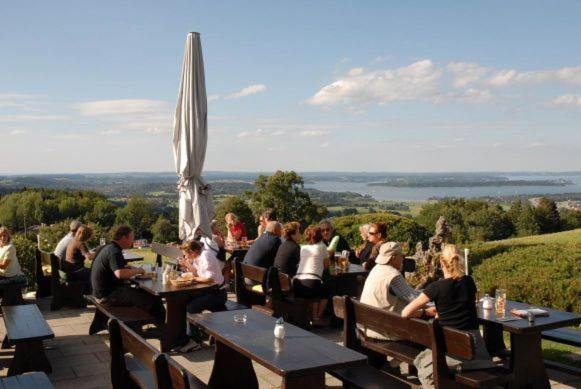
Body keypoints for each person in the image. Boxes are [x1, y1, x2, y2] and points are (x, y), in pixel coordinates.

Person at [402, 244, 495, 388]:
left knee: (423, 366)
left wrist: (425, 312)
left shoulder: (435, 288)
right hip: (475, 347)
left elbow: (405, 313)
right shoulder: (469, 281)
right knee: (423, 360)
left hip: (450, 348)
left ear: (441, 262)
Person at [90, 225, 165, 322]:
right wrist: (139, 270)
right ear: (124, 238)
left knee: (143, 294)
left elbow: (115, 268)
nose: (133, 241)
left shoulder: (108, 247)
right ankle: (161, 328)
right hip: (108, 296)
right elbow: (120, 273)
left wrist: (129, 268)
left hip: (100, 292)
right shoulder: (114, 251)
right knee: (152, 301)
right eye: (132, 238)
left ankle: (159, 324)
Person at [359, 242, 425, 340]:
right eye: (401, 256)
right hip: (385, 331)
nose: (403, 259)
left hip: (368, 327)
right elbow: (415, 300)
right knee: (427, 328)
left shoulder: (376, 269)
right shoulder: (393, 275)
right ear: (393, 257)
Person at [176, 240, 227, 352]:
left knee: (191, 307)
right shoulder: (199, 257)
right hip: (209, 291)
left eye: (186, 254)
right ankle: (188, 335)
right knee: (183, 301)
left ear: (192, 252)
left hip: (218, 293)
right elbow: (198, 273)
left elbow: (209, 279)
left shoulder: (206, 256)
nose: (185, 256)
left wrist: (192, 279)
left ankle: (195, 341)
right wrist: (187, 265)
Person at [294, 225, 330, 326]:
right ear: (320, 235)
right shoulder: (322, 246)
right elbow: (327, 266)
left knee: (317, 286)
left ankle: (311, 316)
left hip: (297, 283)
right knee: (325, 290)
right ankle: (316, 318)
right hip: (311, 283)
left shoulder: (303, 247)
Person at [63, 225, 94, 293]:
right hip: (76, 270)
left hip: (70, 269)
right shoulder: (80, 243)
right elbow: (89, 257)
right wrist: (98, 253)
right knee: (95, 271)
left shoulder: (73, 240)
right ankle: (90, 293)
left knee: (89, 269)